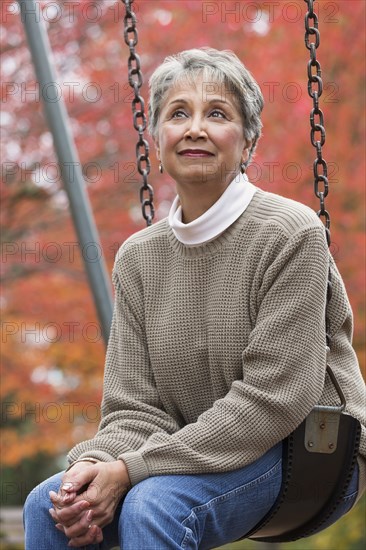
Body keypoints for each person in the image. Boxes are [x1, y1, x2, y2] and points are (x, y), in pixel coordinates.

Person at [24, 47, 365, 550]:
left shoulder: (290, 235)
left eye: (218, 114)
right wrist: (95, 467)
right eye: (178, 113)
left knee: (153, 504)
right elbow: (134, 408)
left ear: (248, 141)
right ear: (157, 141)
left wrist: (132, 469)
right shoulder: (139, 259)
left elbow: (275, 400)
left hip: (306, 447)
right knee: (51, 503)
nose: (195, 128)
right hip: (190, 450)